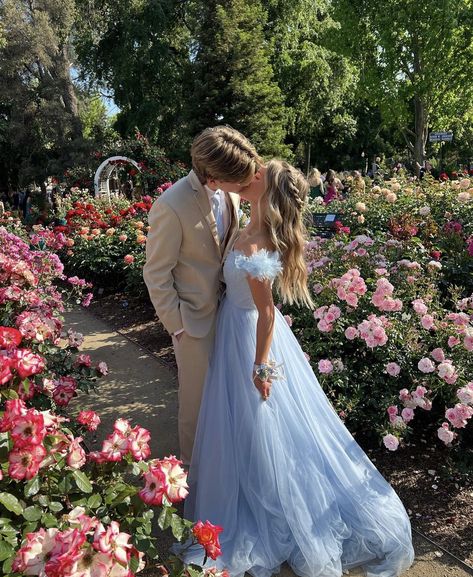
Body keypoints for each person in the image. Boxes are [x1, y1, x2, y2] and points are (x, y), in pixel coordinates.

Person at [181, 159, 415, 577]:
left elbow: (267, 313)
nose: (250, 175)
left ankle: (277, 507)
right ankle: (257, 494)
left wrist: (261, 365)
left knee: (265, 424)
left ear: (267, 191)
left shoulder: (257, 245)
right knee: (248, 426)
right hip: (233, 330)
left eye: (259, 176)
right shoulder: (243, 221)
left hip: (252, 339)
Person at [143, 126, 262, 464]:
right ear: (212, 178)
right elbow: (155, 272)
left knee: (230, 397)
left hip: (232, 314)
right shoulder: (171, 205)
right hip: (193, 322)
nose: (244, 185)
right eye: (238, 181)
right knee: (196, 405)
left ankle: (227, 467)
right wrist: (176, 325)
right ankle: (194, 482)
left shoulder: (232, 193)